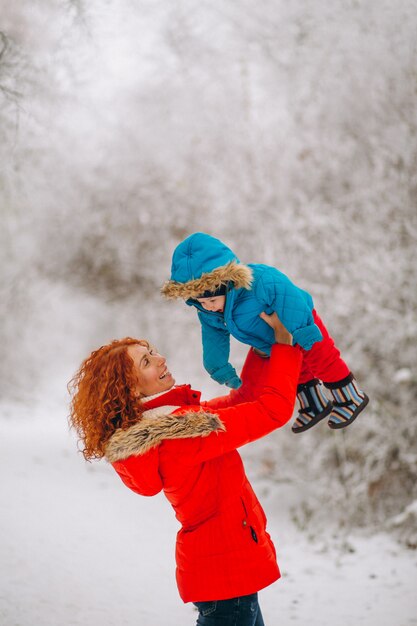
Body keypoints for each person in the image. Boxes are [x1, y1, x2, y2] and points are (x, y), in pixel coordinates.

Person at [68, 312, 301, 626]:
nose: (161, 359)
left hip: (226, 574)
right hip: (226, 574)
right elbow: (272, 410)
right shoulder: (182, 431)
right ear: (131, 390)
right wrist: (285, 347)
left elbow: (244, 399)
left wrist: (263, 349)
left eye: (152, 352)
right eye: (146, 362)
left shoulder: (170, 422)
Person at [161, 232, 369, 433]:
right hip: (270, 341)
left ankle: (350, 397)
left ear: (225, 284)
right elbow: (213, 338)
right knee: (298, 372)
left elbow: (288, 296)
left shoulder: (260, 281)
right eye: (202, 303)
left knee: (321, 360)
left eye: (212, 300)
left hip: (301, 324)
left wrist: (303, 332)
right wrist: (219, 367)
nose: (208, 307)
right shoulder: (209, 310)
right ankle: (314, 404)